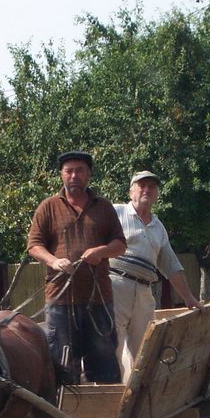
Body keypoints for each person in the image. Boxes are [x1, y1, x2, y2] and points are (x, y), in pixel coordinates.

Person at [27, 150, 126, 384]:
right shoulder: (48, 207)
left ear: (88, 175)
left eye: (79, 170)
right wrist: (53, 261)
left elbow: (120, 244)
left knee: (105, 368)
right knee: (62, 368)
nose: (74, 175)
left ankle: (104, 417)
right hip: (61, 302)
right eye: (69, 171)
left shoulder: (103, 207)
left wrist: (100, 252)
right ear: (61, 175)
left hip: (99, 300)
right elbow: (33, 245)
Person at [110, 170, 204, 381]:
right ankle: (113, 396)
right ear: (131, 190)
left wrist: (189, 298)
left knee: (145, 348)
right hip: (115, 285)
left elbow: (171, 265)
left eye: (151, 187)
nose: (146, 190)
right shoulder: (116, 213)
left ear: (156, 194)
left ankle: (140, 395)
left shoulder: (158, 227)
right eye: (141, 186)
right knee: (112, 344)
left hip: (144, 290)